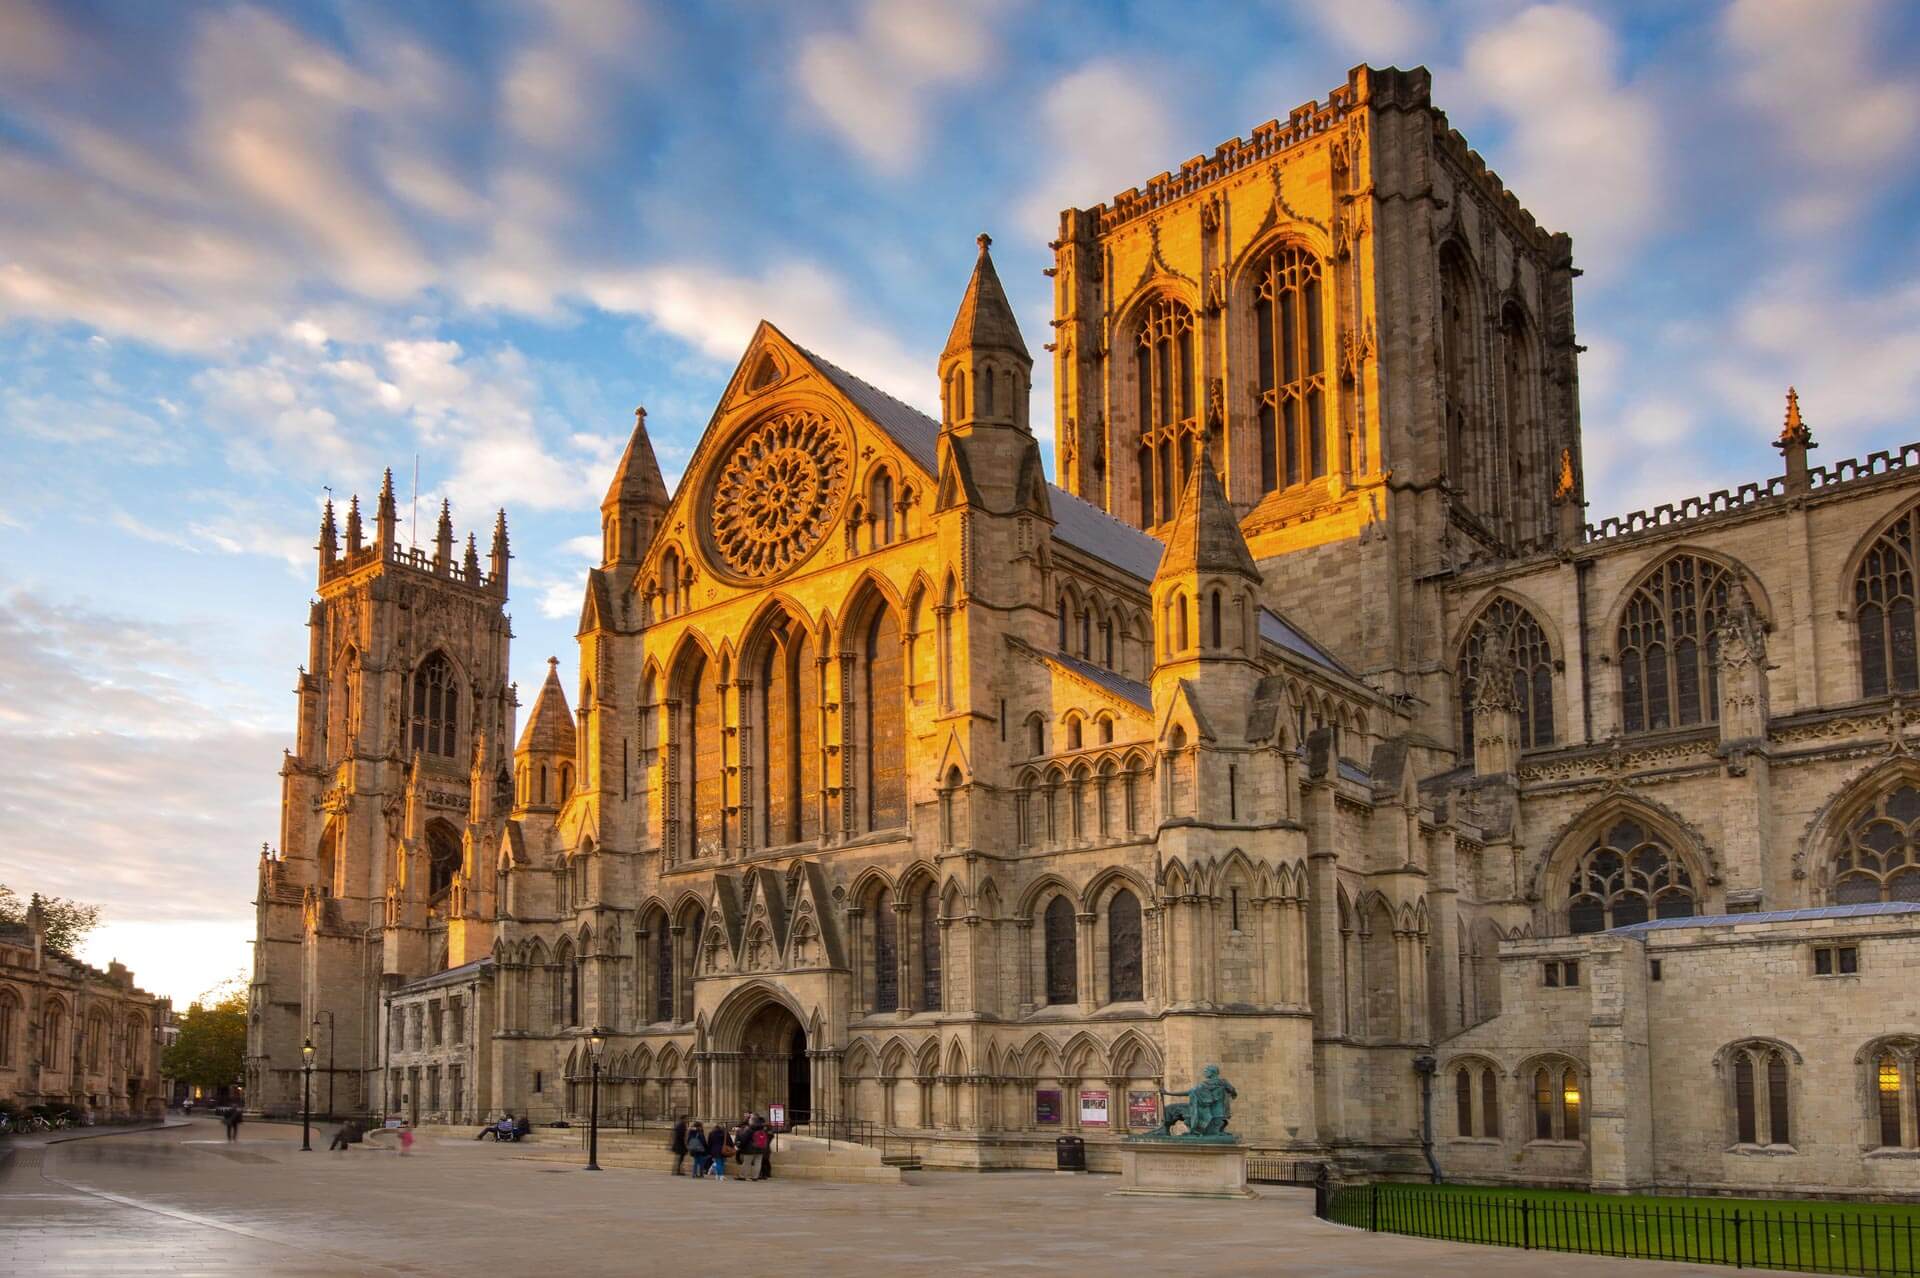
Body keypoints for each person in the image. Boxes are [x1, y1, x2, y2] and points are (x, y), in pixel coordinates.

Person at [750, 1114, 773, 1181]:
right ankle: (764, 1174)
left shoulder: (762, 1130)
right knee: (764, 1161)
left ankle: (764, 1174)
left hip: (762, 1147)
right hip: (765, 1147)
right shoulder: (764, 1129)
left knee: (763, 1161)